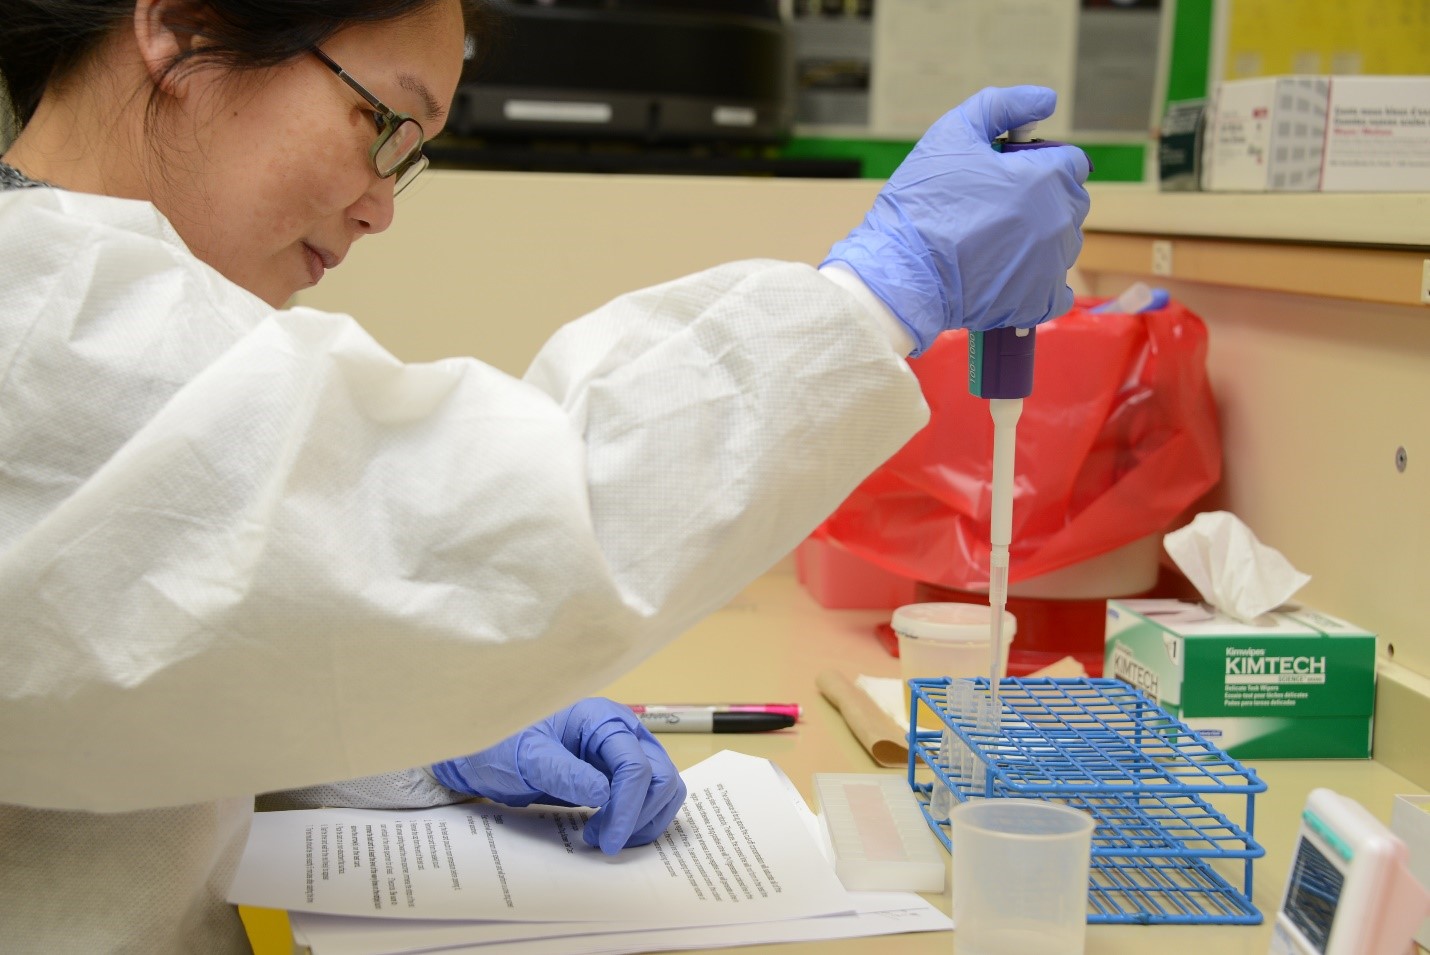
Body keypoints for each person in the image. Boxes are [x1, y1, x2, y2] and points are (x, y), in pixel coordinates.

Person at [0, 0, 1090, 950]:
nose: (382, 206)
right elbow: (509, 509)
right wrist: (879, 292)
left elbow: (128, 667)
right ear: (183, 27)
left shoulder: (88, 299)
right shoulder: (38, 329)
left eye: (411, 156)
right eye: (384, 124)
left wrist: (416, 746)